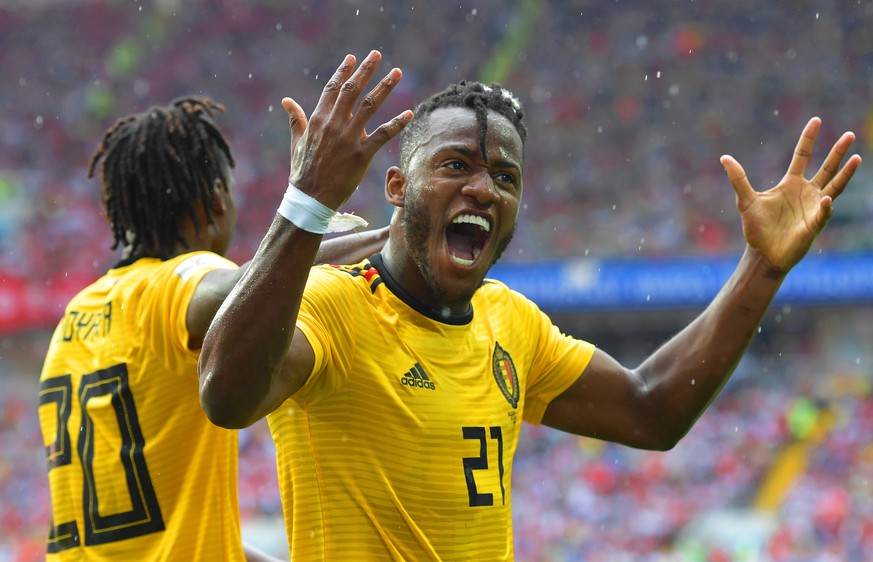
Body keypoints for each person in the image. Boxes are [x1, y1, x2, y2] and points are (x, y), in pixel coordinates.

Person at [197, 51, 862, 560]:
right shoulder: (333, 306)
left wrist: (761, 268)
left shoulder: (509, 321)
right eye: (455, 165)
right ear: (396, 187)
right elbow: (226, 396)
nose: (483, 189)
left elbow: (650, 408)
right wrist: (307, 204)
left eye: (505, 178)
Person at [36, 95, 387, 561]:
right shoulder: (172, 283)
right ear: (218, 201)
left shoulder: (77, 316)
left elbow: (158, 529)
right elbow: (247, 287)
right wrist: (387, 241)